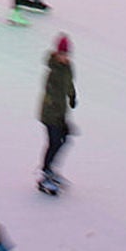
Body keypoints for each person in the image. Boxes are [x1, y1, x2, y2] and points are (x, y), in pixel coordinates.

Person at [38, 35, 77, 193]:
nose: (64, 57)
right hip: (50, 114)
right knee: (55, 141)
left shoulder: (68, 67)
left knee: (65, 139)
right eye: (61, 54)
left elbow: (69, 84)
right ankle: (45, 173)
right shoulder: (53, 71)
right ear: (56, 53)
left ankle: (50, 169)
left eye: (66, 54)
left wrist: (72, 96)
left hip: (61, 113)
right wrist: (56, 115)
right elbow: (51, 96)